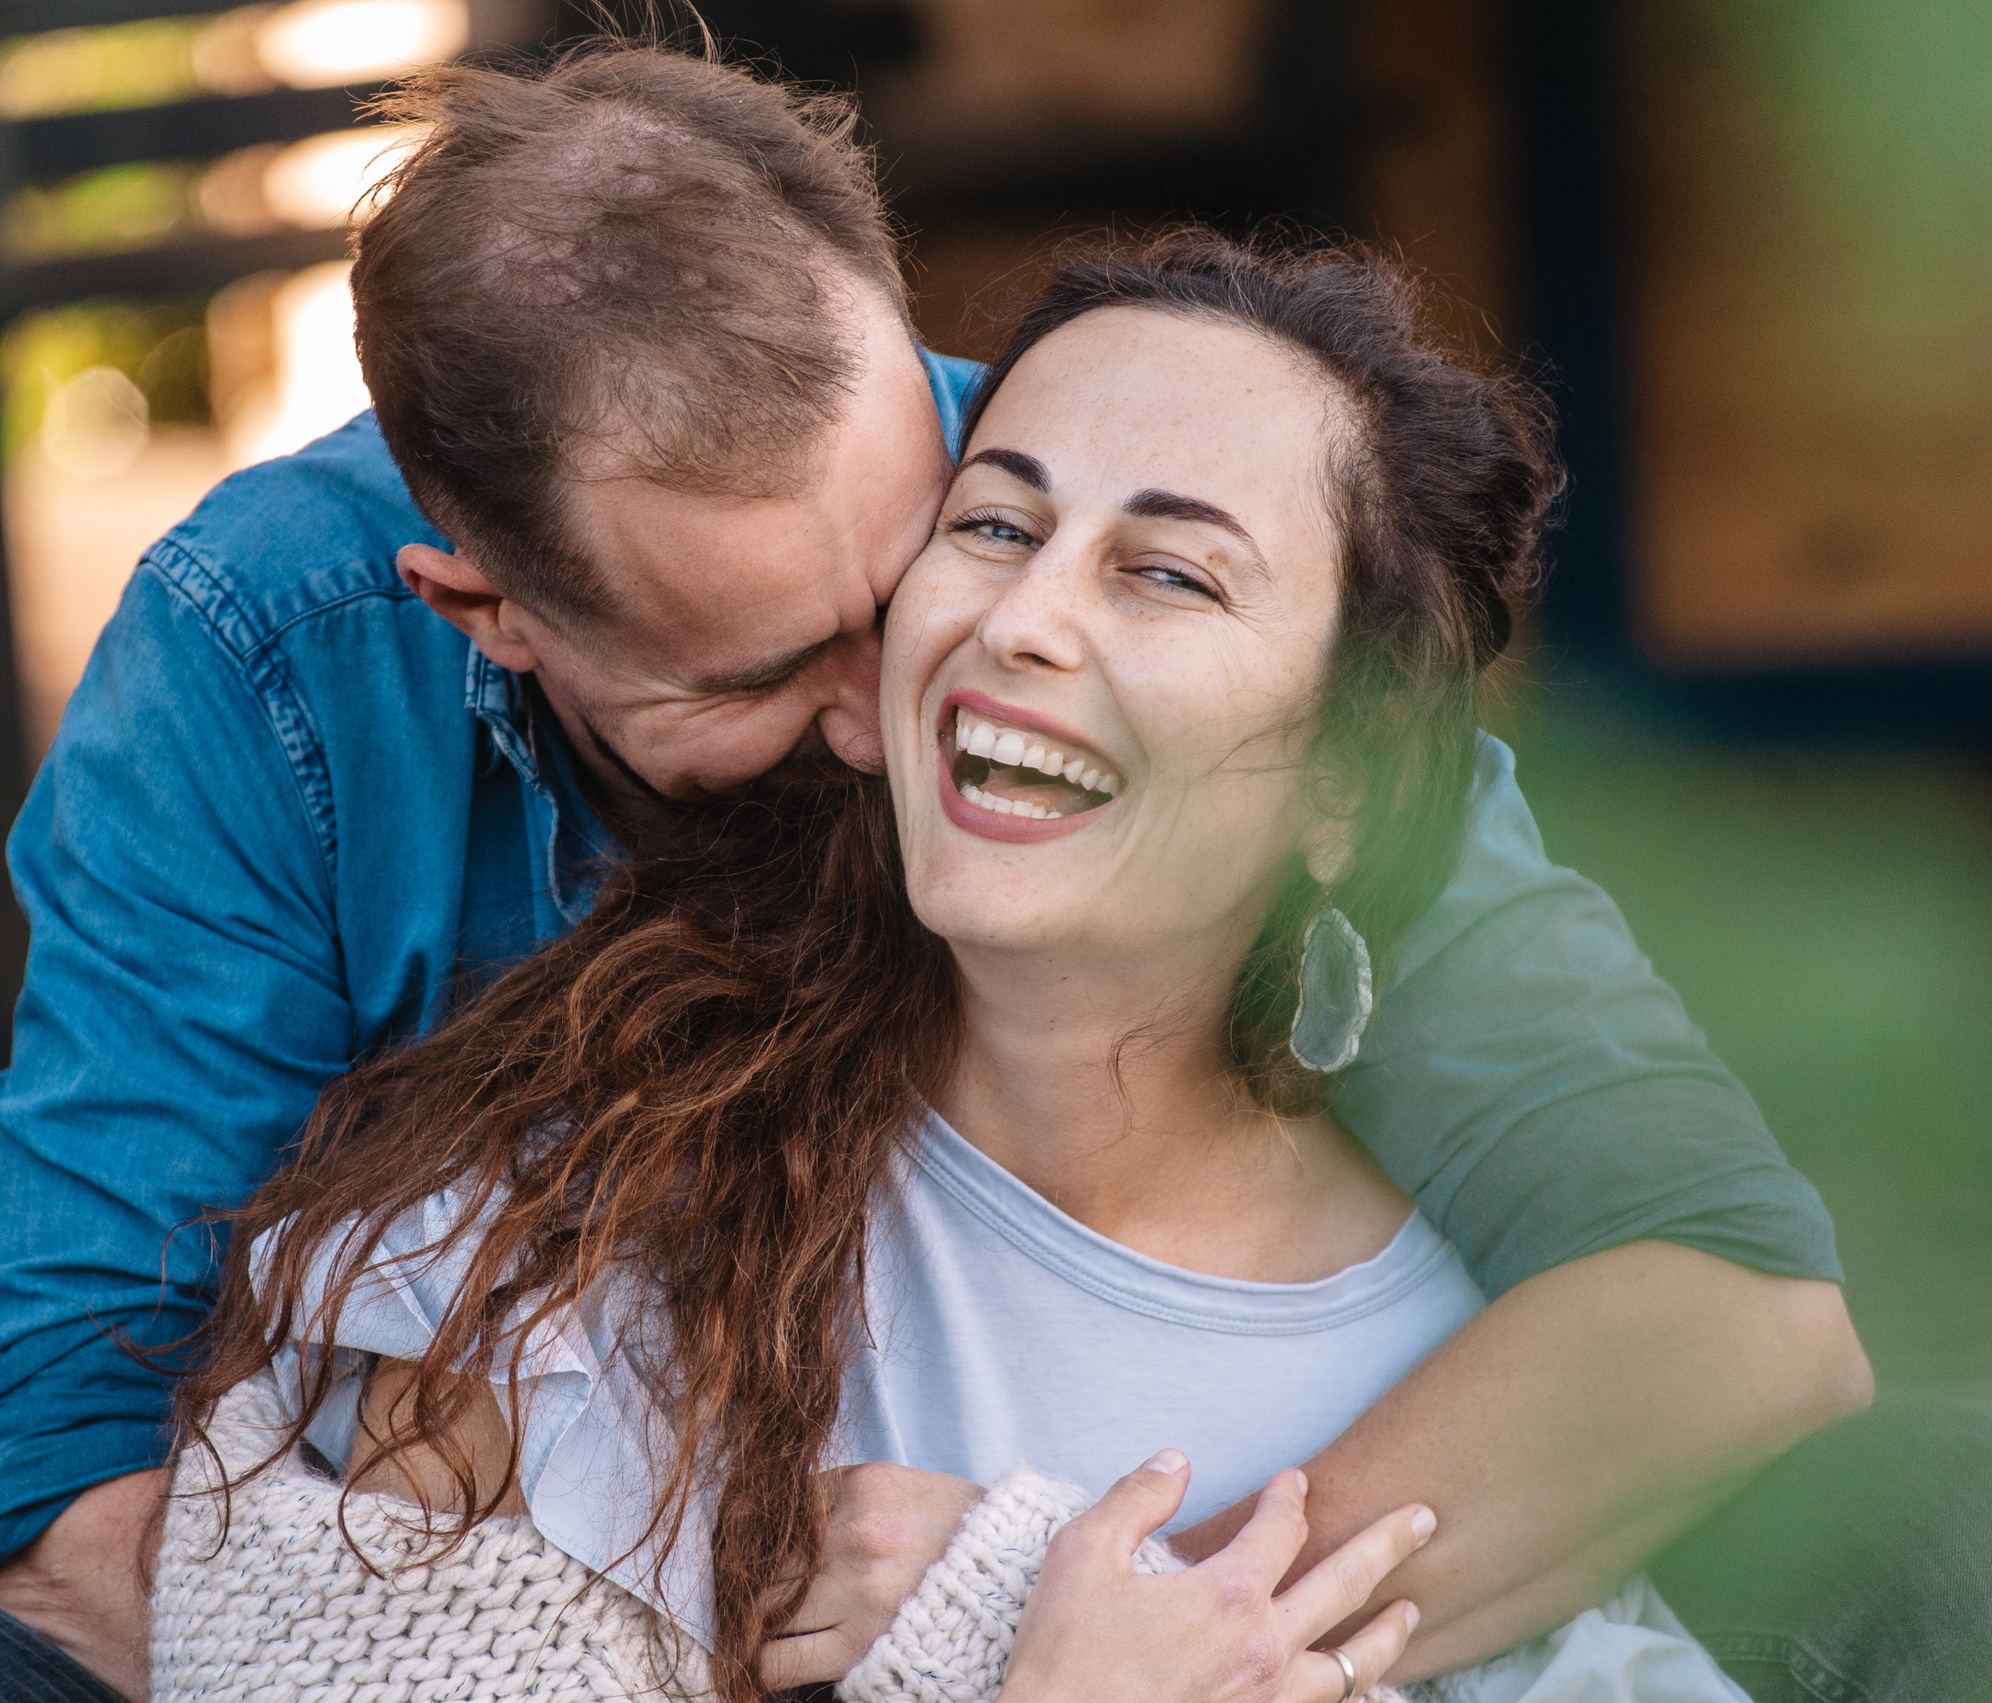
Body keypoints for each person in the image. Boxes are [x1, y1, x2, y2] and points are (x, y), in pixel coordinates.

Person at [0, 45, 1879, 1703]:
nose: (921, 688)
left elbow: (1725, 1285)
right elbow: (73, 1487)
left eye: (933, 529)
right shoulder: (269, 674)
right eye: (774, 667)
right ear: (490, 614)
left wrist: (1087, 1626)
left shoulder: (1106, 556)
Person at [144, 228, 1832, 1703]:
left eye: (1167, 573)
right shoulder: (572, 1247)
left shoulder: (1506, 1402)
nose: (1022, 620)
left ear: (1346, 780)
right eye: (996, 524)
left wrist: (1054, 1612)